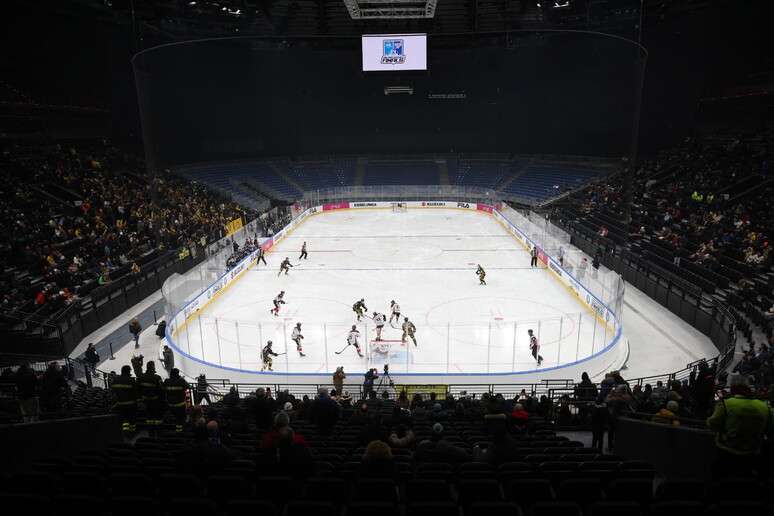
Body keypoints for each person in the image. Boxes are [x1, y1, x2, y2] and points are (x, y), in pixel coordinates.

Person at [707, 374, 774, 478]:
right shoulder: (764, 406)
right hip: (752, 454)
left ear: (733, 388)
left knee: (719, 476)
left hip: (727, 451)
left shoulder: (726, 403)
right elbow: (769, 428)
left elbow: (712, 424)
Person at [138, 361, 164, 431]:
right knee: (157, 416)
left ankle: (150, 430)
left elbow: (138, 389)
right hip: (155, 401)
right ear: (152, 367)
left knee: (149, 416)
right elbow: (162, 389)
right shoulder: (157, 377)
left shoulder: (141, 377)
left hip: (145, 401)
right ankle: (158, 430)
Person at [111, 365, 138, 432]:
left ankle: (125, 431)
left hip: (120, 404)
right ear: (128, 371)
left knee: (124, 419)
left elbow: (113, 392)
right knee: (132, 419)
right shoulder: (131, 380)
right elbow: (135, 392)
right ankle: (132, 431)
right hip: (131, 404)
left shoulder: (115, 380)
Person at [164, 368, 189, 432]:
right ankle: (180, 431)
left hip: (170, 404)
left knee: (174, 417)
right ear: (177, 374)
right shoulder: (181, 381)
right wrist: (181, 378)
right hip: (180, 405)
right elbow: (188, 386)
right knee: (180, 419)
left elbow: (163, 388)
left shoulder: (167, 381)